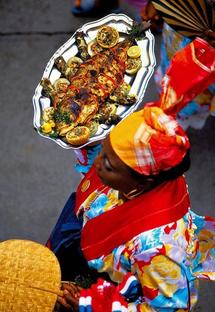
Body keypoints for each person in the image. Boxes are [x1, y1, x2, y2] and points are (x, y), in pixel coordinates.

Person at [47, 36, 215, 311]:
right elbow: (106, 164)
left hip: (112, 291)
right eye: (103, 151)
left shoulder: (158, 250)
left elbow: (167, 309)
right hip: (93, 246)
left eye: (109, 164)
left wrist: (88, 304)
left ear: (143, 179)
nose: (98, 165)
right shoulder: (153, 174)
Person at [141, 0, 215, 130]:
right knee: (168, 77)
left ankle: (179, 123)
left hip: (207, 66)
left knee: (193, 98)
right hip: (178, 30)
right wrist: (161, 5)